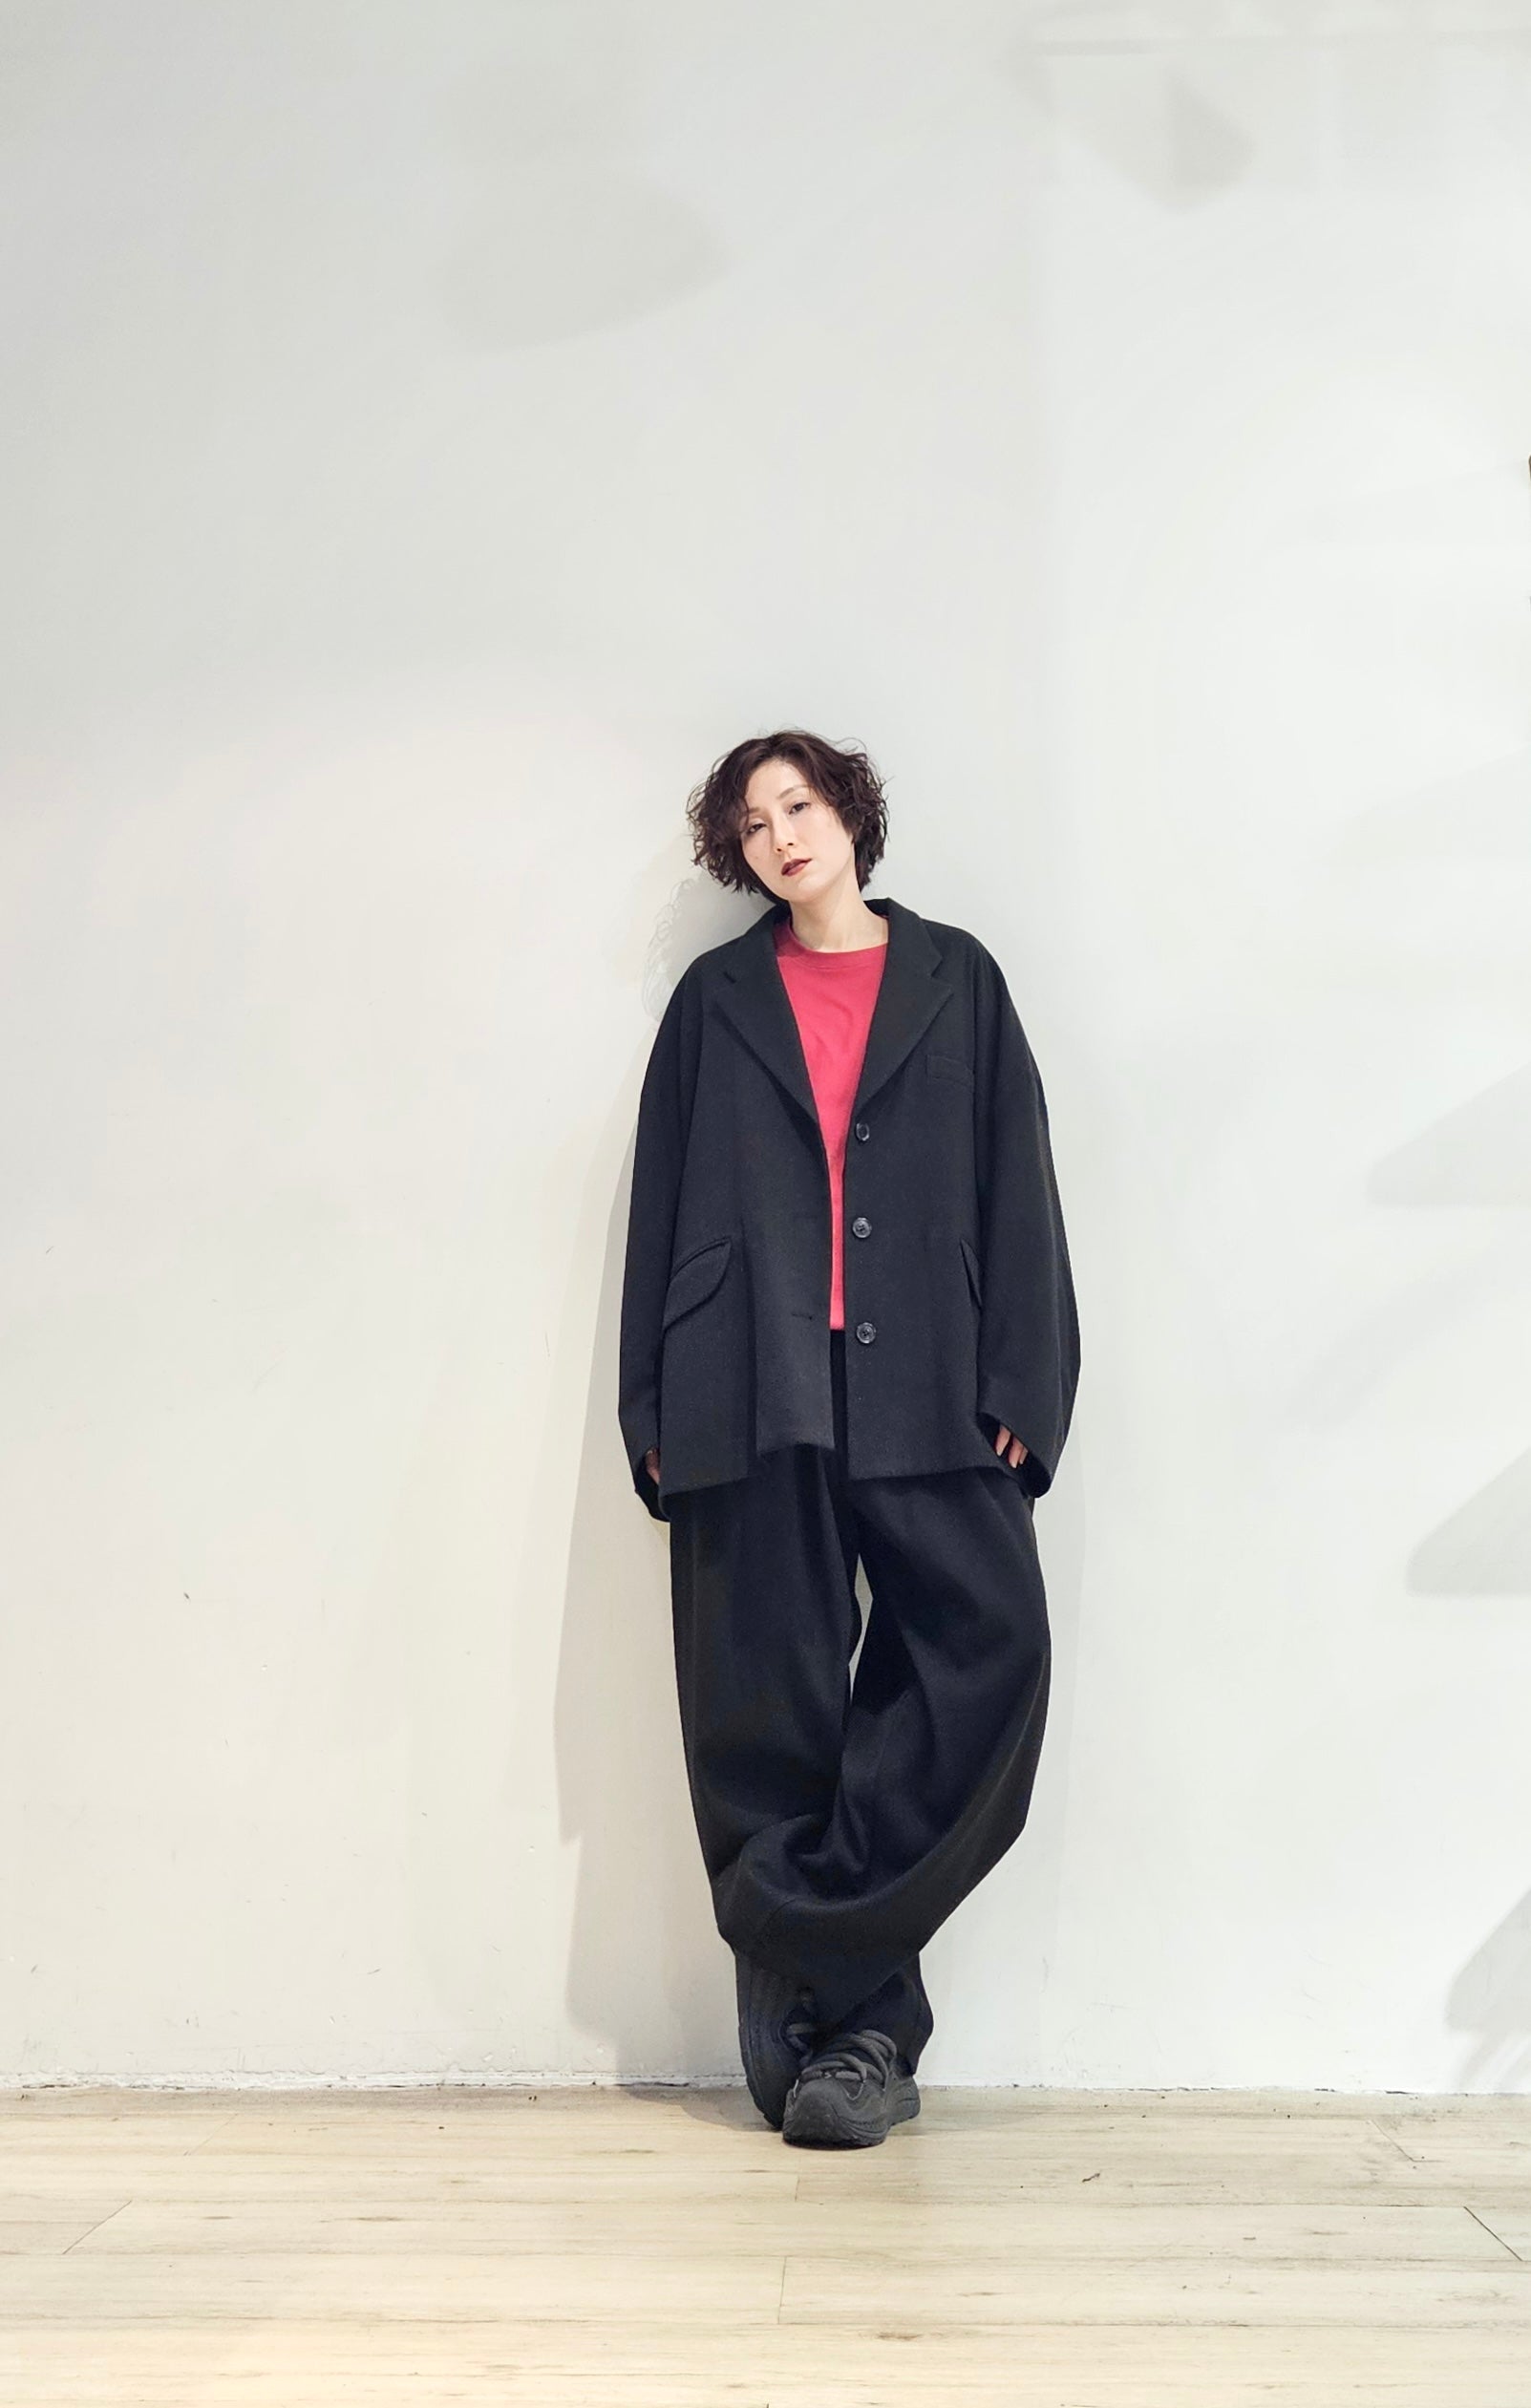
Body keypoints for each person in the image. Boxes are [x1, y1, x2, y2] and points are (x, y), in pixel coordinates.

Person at [618, 730, 1079, 2148]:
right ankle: (863, 2039)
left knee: (984, 1654)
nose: (782, 836)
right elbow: (659, 1198)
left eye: (800, 803)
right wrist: (651, 1403)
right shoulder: (714, 1001)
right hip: (749, 1380)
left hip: (930, 1379)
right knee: (766, 1697)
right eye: (754, 823)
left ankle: (794, 1949)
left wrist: (1026, 1383)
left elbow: (1018, 1181)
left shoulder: (958, 979)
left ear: (848, 812)